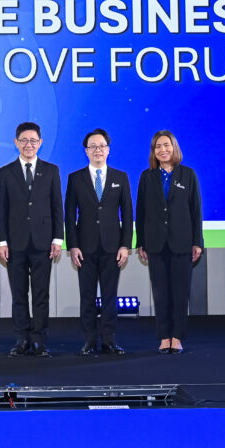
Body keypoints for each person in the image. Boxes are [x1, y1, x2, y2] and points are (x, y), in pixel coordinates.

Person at [0, 122, 64, 357]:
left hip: (43, 242)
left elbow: (57, 206)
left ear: (40, 143)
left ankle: (39, 340)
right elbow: (1, 210)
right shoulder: (6, 172)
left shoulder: (51, 170)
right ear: (16, 143)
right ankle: (22, 339)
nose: (29, 145)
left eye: (33, 141)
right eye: (24, 140)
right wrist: (2, 242)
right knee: (19, 295)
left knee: (41, 294)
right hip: (15, 244)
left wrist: (58, 239)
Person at [64, 128, 133, 356]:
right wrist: (73, 245)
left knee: (110, 296)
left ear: (108, 150)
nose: (97, 150)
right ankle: (90, 341)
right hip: (84, 248)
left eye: (101, 146)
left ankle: (109, 340)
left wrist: (125, 245)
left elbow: (127, 214)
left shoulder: (120, 177)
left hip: (113, 247)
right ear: (86, 151)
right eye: (92, 146)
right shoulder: (75, 178)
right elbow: (69, 215)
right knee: (87, 296)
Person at [135, 130, 203, 353]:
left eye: (166, 145)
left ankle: (177, 337)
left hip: (182, 243)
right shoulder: (147, 177)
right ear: (153, 152)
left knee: (180, 294)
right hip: (155, 244)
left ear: (174, 147)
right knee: (161, 294)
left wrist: (197, 242)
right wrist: (141, 242)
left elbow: (196, 211)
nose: (162, 150)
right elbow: (141, 211)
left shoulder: (188, 175)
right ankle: (164, 337)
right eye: (158, 146)